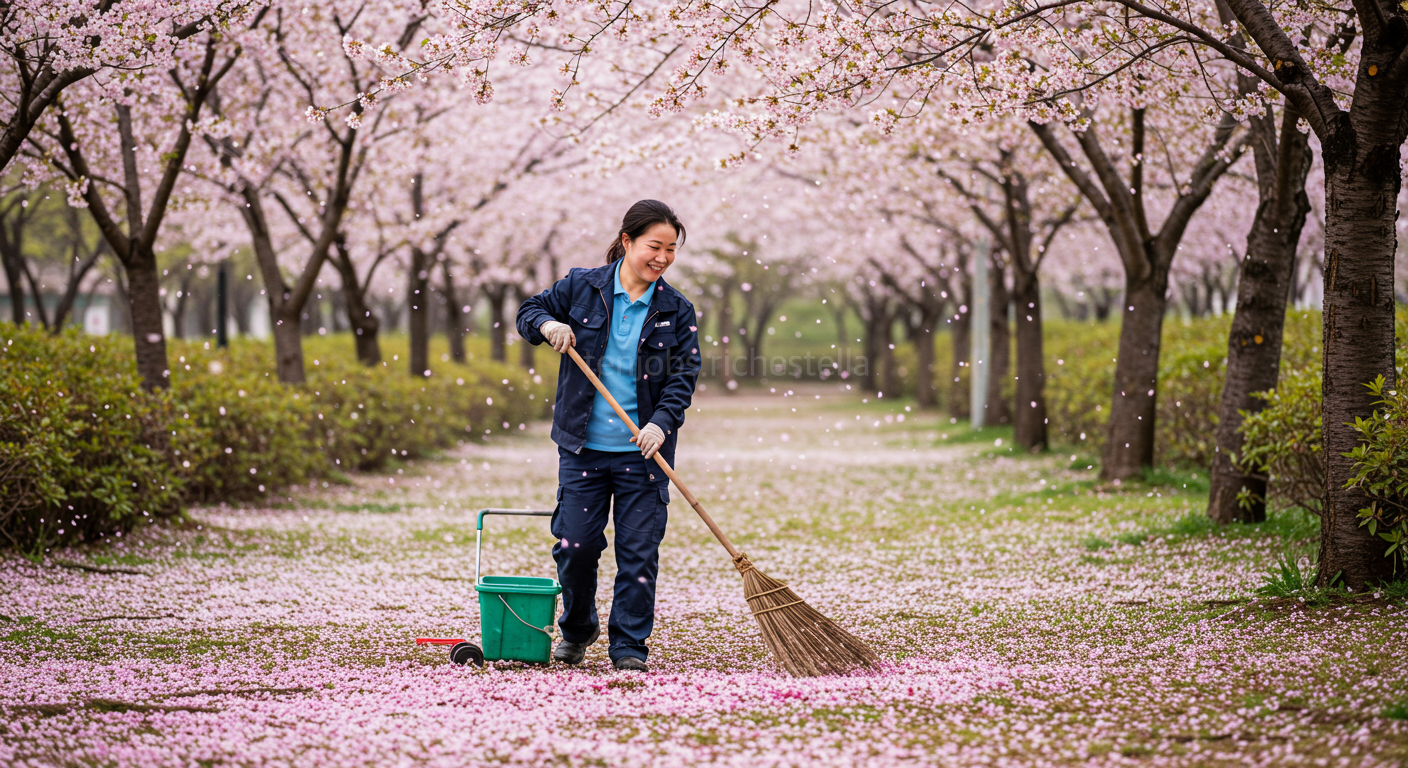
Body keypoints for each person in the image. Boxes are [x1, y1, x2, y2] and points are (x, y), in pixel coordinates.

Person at [516, 200, 701, 673]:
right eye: (653, 246)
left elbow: (682, 376)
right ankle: (577, 629)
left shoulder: (675, 311)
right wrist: (548, 323)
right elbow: (529, 310)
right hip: (583, 449)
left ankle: (629, 647)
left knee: (638, 555)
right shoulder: (583, 287)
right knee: (575, 546)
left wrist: (660, 423)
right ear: (626, 241)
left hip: (644, 453)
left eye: (671, 249)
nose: (662, 257)